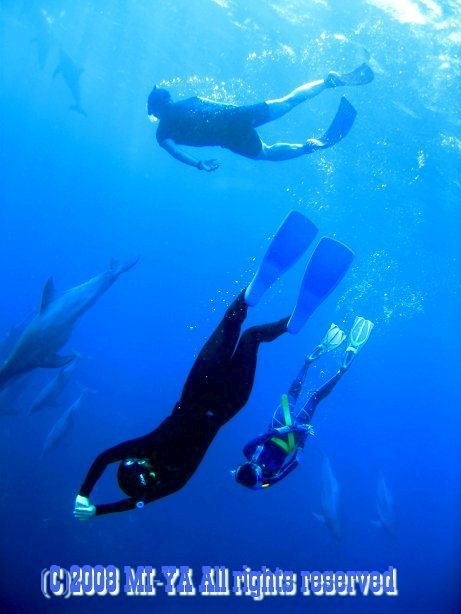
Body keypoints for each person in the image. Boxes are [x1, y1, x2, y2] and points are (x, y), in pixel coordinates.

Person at [74, 211, 354, 518]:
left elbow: (127, 488)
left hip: (225, 404)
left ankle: (291, 322)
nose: (147, 466)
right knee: (237, 326)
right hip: (199, 389)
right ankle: (254, 296)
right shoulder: (151, 453)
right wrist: (85, 496)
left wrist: (95, 508)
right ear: (141, 466)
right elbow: (105, 459)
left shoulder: (174, 479)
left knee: (251, 338)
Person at [147, 63, 374, 171]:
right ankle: (328, 82)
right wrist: (243, 113)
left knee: (267, 153)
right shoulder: (190, 100)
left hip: (229, 138)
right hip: (238, 116)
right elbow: (219, 105)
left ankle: (306, 148)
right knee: (288, 101)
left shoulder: (162, 132)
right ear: (167, 98)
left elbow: (176, 152)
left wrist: (199, 163)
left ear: (155, 111)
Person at [233, 317, 374, 490]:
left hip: (293, 436)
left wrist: (302, 439)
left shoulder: (268, 479)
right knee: (295, 392)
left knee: (315, 398)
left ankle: (341, 371)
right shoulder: (247, 452)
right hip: (281, 424)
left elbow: (295, 462)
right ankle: (309, 361)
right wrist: (292, 431)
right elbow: (265, 437)